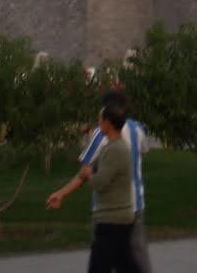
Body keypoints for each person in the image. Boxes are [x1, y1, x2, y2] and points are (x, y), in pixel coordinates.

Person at [47, 100, 137, 273]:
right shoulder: (108, 148)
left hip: (113, 220)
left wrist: (89, 174)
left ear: (108, 123)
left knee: (99, 267)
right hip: (116, 219)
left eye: (100, 120)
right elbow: (83, 174)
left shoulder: (116, 150)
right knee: (126, 266)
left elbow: (99, 183)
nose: (98, 123)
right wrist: (61, 193)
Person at [77, 89, 152, 273]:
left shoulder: (102, 133)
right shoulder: (138, 129)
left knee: (103, 257)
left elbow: (86, 166)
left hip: (108, 208)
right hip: (135, 203)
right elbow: (143, 151)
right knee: (135, 254)